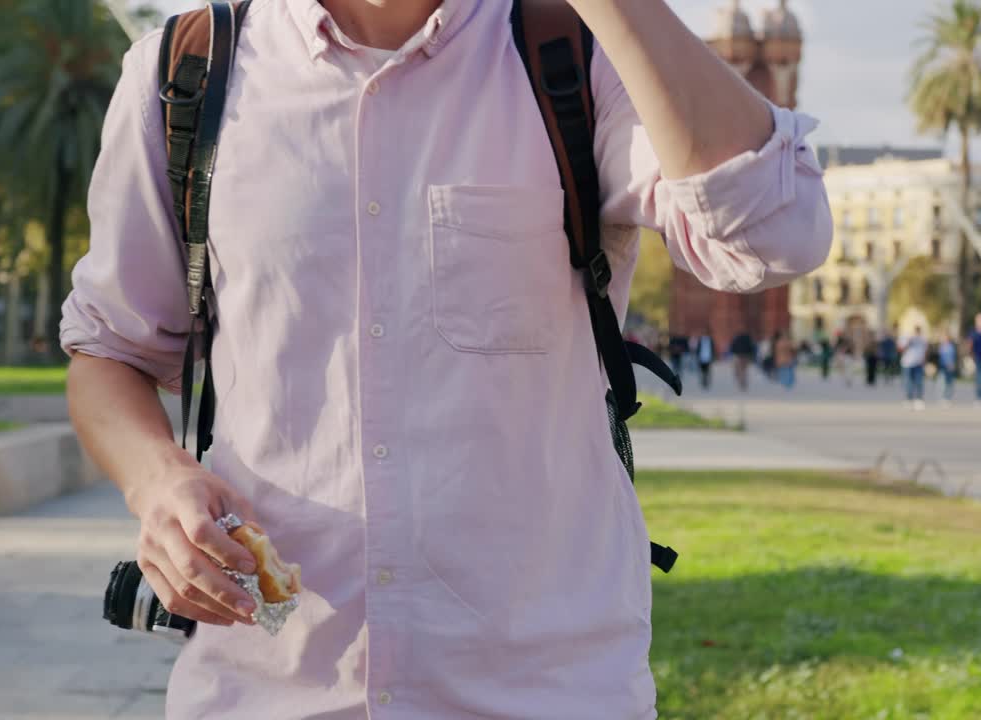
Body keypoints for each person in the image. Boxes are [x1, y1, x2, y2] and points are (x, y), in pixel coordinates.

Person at [58, 1, 835, 716]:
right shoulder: (189, 70)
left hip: (544, 695)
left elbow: (776, 236)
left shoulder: (573, 54)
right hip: (268, 691)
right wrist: (158, 482)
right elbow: (109, 350)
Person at [899, 326, 928, 410]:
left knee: (919, 381)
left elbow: (926, 350)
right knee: (908, 381)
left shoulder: (923, 339)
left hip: (918, 363)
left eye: (918, 331)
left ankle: (919, 399)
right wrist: (908, 342)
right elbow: (901, 349)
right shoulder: (906, 337)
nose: (917, 332)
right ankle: (908, 399)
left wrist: (924, 360)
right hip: (907, 363)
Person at [936, 331, 958, 403]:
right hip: (942, 366)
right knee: (942, 382)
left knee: (949, 382)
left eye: (945, 338)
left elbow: (952, 357)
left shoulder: (950, 347)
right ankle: (943, 397)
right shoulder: (941, 347)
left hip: (949, 366)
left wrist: (951, 365)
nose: (943, 339)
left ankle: (948, 397)